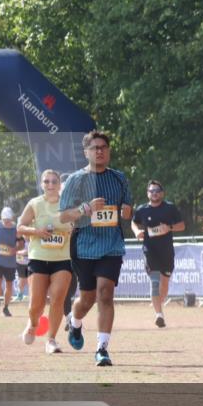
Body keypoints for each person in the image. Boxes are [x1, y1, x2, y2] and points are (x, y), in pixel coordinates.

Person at [59, 131, 133, 366]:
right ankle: (75, 321)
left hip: (111, 243)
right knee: (87, 299)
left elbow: (128, 208)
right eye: (95, 148)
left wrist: (126, 212)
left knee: (105, 294)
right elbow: (63, 216)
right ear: (86, 152)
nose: (99, 151)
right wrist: (84, 209)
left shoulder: (119, 178)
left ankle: (102, 348)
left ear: (108, 151)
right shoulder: (75, 180)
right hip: (83, 245)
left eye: (103, 147)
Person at [17, 169, 74, 354]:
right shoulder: (35, 203)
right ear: (42, 184)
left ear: (59, 185)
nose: (50, 185)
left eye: (54, 182)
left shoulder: (68, 205)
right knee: (36, 305)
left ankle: (51, 340)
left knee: (58, 299)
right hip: (39, 258)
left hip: (62, 259)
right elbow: (20, 228)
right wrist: (37, 231)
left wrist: (73, 231)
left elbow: (78, 227)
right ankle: (33, 324)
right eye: (46, 181)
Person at [132, 180, 185, 328]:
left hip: (167, 251)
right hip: (150, 250)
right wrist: (137, 232)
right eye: (151, 191)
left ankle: (158, 305)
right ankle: (159, 315)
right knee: (155, 282)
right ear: (147, 193)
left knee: (164, 285)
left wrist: (169, 227)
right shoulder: (142, 209)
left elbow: (182, 225)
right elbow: (134, 222)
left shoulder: (170, 208)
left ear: (162, 193)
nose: (154, 193)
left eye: (157, 190)